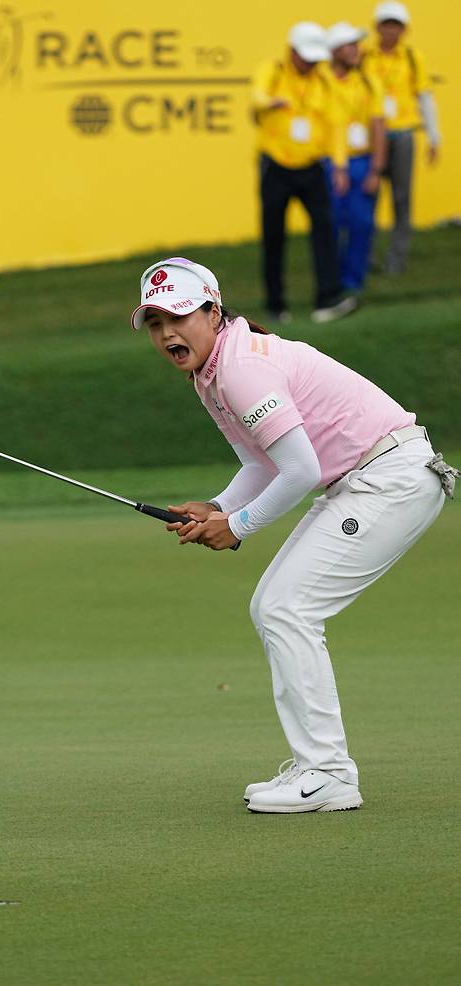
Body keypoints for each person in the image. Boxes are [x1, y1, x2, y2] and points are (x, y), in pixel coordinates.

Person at [130, 257, 457, 813]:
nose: (167, 334)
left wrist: (236, 526)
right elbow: (264, 464)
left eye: (180, 317)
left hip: (390, 479)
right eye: (156, 323)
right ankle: (319, 768)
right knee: (273, 606)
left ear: (213, 311)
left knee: (286, 608)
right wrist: (216, 505)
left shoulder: (240, 369)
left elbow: (301, 471)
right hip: (367, 481)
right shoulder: (212, 374)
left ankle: (329, 773)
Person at [250, 22, 357, 325]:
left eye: (314, 58)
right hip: (275, 166)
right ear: (292, 51)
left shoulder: (323, 82)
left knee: (324, 229)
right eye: (306, 56)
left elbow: (336, 126)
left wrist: (340, 165)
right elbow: (256, 94)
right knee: (274, 236)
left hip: (312, 167)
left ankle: (328, 298)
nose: (310, 63)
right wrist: (271, 102)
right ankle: (275, 304)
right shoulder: (273, 70)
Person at [362, 2, 441, 274]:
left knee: (401, 198)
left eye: (396, 25)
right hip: (373, 134)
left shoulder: (411, 56)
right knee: (368, 196)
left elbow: (425, 96)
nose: (391, 30)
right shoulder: (365, 56)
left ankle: (397, 257)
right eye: (386, 24)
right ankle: (366, 255)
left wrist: (434, 136)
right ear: (377, 27)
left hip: (404, 132)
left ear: (404, 29)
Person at [323, 23, 386, 292]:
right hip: (327, 163)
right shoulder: (320, 81)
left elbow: (379, 126)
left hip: (361, 162)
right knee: (331, 224)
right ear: (335, 50)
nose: (356, 50)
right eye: (350, 45)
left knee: (362, 223)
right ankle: (331, 281)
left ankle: (353, 282)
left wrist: (376, 169)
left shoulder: (369, 83)